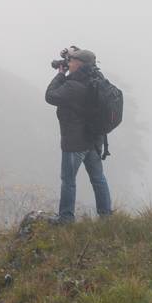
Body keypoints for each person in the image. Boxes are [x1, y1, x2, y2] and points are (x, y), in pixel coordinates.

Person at [44, 46, 113, 224]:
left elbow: (50, 96)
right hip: (94, 140)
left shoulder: (73, 86)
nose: (69, 63)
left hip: (75, 142)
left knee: (68, 181)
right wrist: (73, 55)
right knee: (98, 178)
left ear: (80, 64)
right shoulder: (97, 78)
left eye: (72, 61)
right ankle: (106, 216)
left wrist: (60, 74)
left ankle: (66, 218)